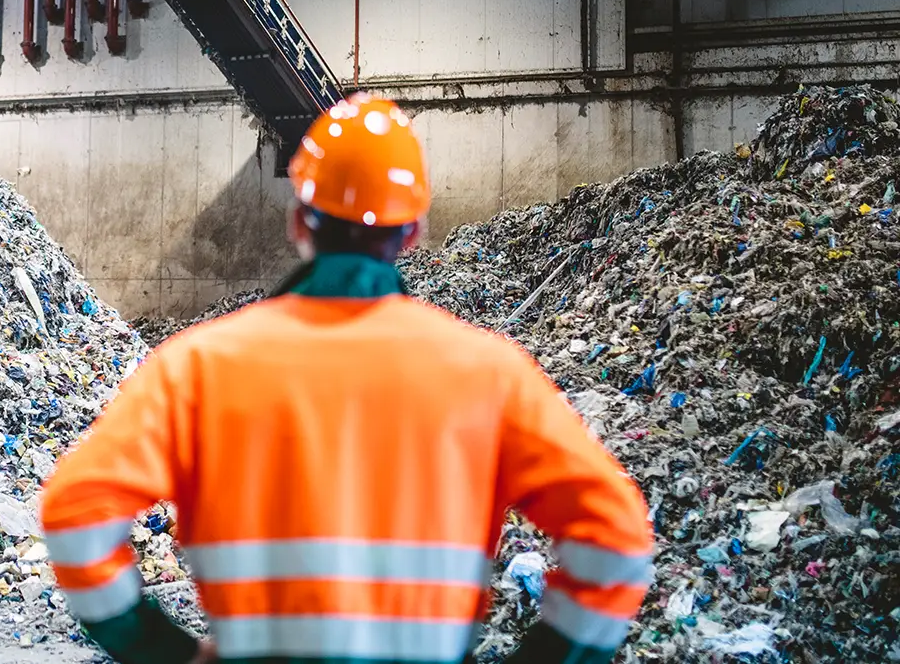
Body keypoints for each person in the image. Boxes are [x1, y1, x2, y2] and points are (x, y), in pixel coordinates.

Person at [38, 93, 654, 664]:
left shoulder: (197, 366)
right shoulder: (489, 373)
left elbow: (75, 514)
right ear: (411, 232)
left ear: (299, 222)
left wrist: (161, 652)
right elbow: (618, 541)